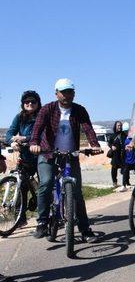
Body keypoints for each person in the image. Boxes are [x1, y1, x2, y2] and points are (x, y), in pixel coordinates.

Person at [29, 78, 102, 242]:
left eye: (70, 92)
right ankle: (42, 222)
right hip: (48, 153)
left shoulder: (79, 110)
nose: (67, 95)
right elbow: (37, 129)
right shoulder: (47, 109)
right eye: (64, 92)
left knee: (76, 193)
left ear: (74, 93)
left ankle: (85, 230)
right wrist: (34, 143)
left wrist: (94, 144)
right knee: (46, 183)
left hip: (71, 155)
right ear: (56, 93)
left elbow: (88, 128)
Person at [6, 90, 41, 227]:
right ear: (23, 104)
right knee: (21, 185)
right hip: (25, 157)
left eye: (33, 101)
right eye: (27, 102)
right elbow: (10, 132)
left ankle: (49, 215)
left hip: (40, 156)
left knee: (44, 185)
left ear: (38, 103)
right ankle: (20, 217)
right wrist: (12, 141)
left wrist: (25, 138)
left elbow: (41, 134)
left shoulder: (41, 116)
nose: (30, 104)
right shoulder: (19, 117)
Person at [108, 121, 129, 191]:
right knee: (114, 169)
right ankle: (114, 182)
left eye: (120, 125)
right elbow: (109, 143)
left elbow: (127, 142)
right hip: (115, 155)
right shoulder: (113, 135)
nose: (119, 127)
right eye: (118, 126)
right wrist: (112, 146)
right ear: (115, 126)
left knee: (125, 168)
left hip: (123, 155)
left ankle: (126, 182)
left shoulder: (124, 135)